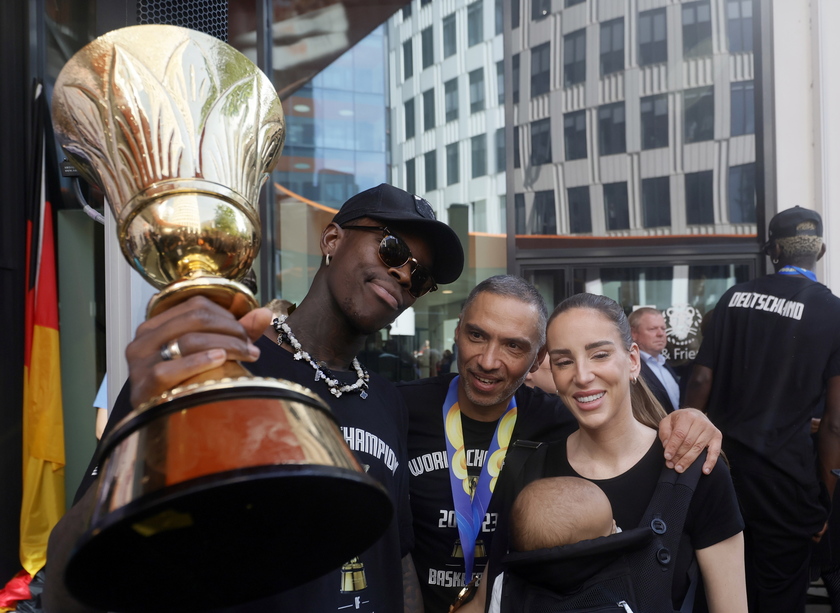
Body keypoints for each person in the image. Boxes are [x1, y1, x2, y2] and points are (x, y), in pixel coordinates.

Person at [43, 183, 465, 613]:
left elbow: (397, 555)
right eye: (391, 250)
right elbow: (67, 588)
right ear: (332, 240)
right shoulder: (215, 363)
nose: (403, 275)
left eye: (421, 277)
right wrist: (146, 424)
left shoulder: (388, 399)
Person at [397, 275, 724, 613]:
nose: (489, 360)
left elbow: (610, 418)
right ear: (457, 332)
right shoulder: (399, 409)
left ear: (538, 359)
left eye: (513, 345)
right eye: (477, 335)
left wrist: (691, 420)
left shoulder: (556, 425)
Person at [468, 293, 747, 613]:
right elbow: (486, 601)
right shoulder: (526, 469)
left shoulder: (694, 470)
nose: (582, 376)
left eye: (599, 355)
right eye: (564, 361)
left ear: (632, 360)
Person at [685, 206, 840, 613]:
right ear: (819, 252)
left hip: (721, 471)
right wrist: (826, 501)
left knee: (716, 589)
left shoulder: (735, 297)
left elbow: (700, 380)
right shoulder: (834, 312)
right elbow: (836, 424)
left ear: (774, 251)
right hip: (786, 485)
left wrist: (683, 442)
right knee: (779, 596)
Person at [485, 476, 617, 613]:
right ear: (584, 552)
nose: (615, 525)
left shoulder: (507, 585)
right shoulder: (620, 575)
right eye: (611, 529)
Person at [629, 307, 681, 412]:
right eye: (653, 329)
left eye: (663, 328)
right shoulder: (630, 368)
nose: (660, 334)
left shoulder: (663, 363)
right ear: (633, 333)